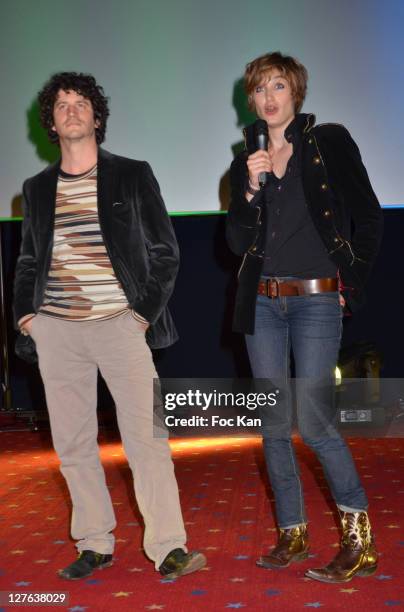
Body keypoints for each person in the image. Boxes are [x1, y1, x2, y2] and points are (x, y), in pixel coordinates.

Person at [13, 72, 206, 581]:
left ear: (97, 117)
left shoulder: (132, 174)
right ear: (51, 123)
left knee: (146, 440)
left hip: (120, 324)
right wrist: (27, 318)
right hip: (57, 330)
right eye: (61, 104)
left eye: (81, 103)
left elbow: (166, 251)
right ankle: (95, 542)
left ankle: (168, 547)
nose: (71, 109)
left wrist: (140, 313)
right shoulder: (35, 189)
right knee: (73, 444)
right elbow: (28, 260)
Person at [226, 52, 383, 583]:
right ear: (251, 99)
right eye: (260, 90)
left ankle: (360, 543)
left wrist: (351, 281)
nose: (269, 98)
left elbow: (368, 215)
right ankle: (291, 533)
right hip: (263, 305)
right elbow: (234, 241)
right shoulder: (246, 156)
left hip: (316, 301)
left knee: (314, 423)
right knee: (273, 425)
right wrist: (248, 189)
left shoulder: (329, 141)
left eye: (278, 86)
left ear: (295, 91)